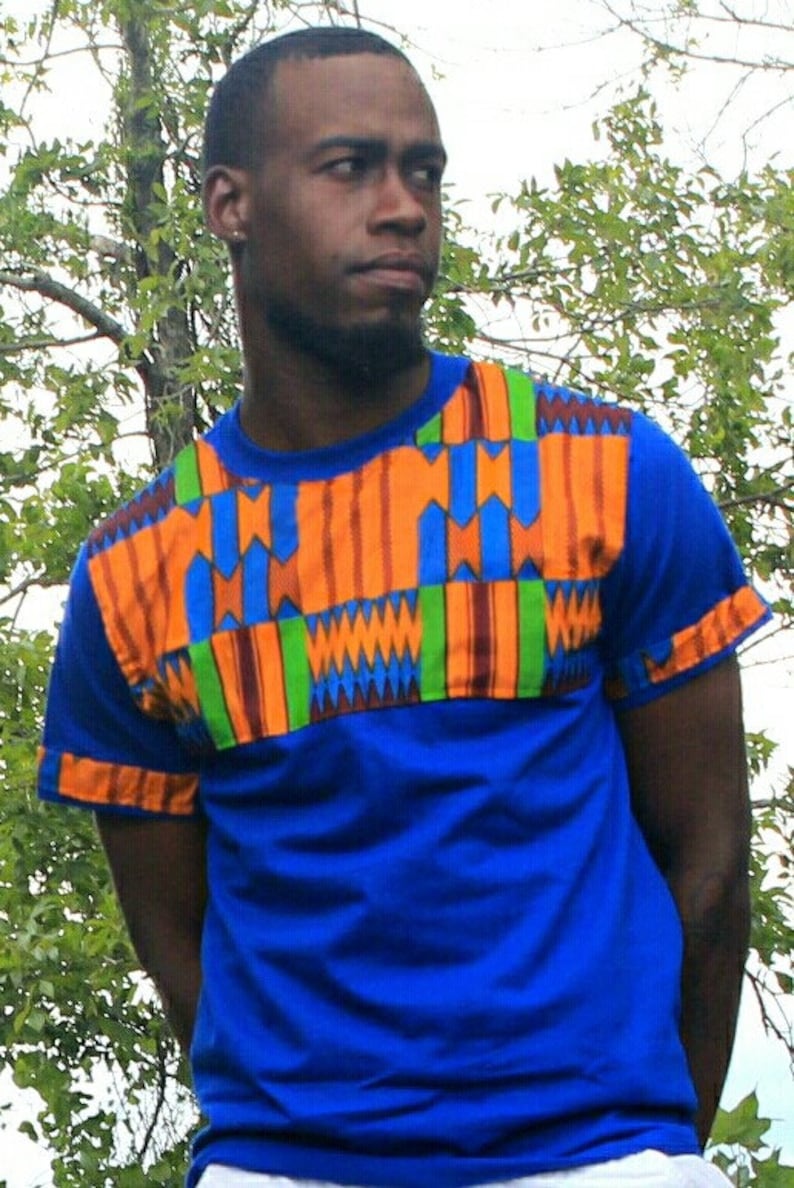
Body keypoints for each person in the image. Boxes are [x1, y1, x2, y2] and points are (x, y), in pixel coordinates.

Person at [38, 25, 771, 1188]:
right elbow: (178, 947)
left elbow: (711, 858)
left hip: (595, 1155)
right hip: (286, 1164)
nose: (403, 209)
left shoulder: (603, 472)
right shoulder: (137, 573)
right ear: (231, 204)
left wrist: (648, 1142)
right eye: (350, 168)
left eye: (421, 172)